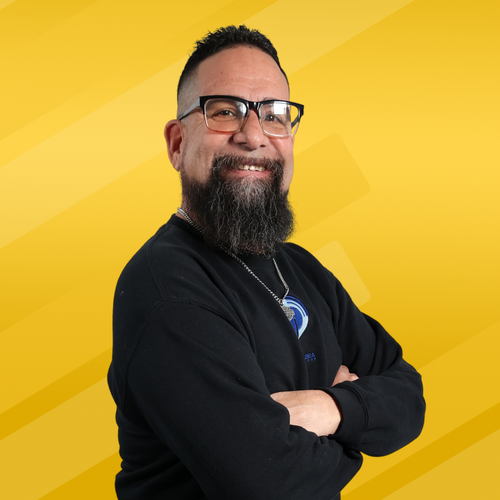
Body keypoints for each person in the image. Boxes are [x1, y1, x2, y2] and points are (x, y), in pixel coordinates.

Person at [108, 25, 425, 500]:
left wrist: (328, 410)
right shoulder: (166, 287)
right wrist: (357, 428)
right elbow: (268, 483)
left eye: (275, 115)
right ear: (177, 144)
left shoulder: (303, 270)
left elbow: (409, 398)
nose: (254, 136)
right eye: (225, 111)